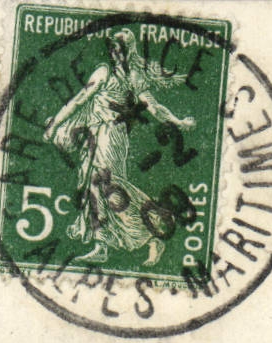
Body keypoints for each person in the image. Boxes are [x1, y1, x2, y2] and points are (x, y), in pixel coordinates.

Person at [41, 29, 196, 265]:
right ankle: (104, 243)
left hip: (112, 136)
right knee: (103, 191)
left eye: (121, 47)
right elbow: (78, 100)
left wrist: (177, 121)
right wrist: (56, 124)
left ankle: (152, 235)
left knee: (109, 188)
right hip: (95, 135)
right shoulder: (104, 72)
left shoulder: (134, 77)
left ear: (129, 50)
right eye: (114, 47)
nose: (117, 52)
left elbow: (154, 107)